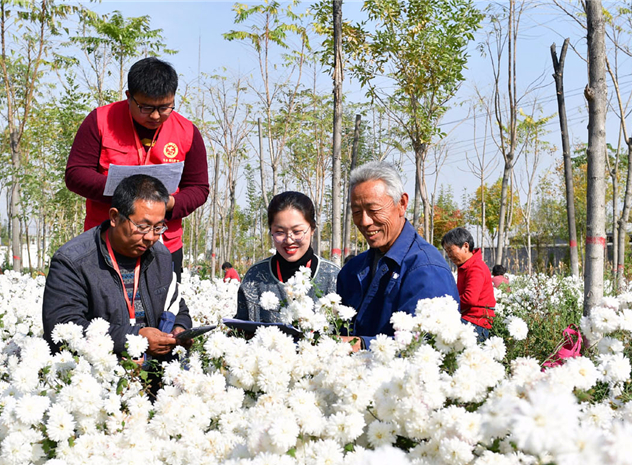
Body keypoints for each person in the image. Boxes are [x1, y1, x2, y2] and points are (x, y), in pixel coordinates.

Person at [65, 57, 209, 282]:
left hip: (164, 244)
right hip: (105, 241)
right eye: (146, 107)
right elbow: (75, 174)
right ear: (128, 96)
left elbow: (199, 188)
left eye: (164, 107)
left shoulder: (188, 132)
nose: (154, 116)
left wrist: (170, 204)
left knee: (164, 313)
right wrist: (125, 193)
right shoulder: (100, 121)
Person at [43, 174, 192, 361]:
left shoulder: (160, 256)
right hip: (96, 374)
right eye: (142, 226)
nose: (150, 237)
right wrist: (133, 339)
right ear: (114, 217)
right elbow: (62, 327)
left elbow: (177, 306)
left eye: (158, 228)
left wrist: (180, 329)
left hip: (152, 378)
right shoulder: (73, 261)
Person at [337, 161, 459, 350]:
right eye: (356, 212)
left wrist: (360, 345)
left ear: (402, 204)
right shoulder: (353, 270)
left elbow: (427, 346)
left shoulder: (426, 270)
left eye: (374, 210)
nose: (364, 221)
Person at [235, 191, 340, 322]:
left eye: (297, 232)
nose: (289, 240)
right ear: (271, 231)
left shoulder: (333, 277)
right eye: (280, 232)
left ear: (312, 229)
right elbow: (241, 330)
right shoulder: (255, 277)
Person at [441, 227, 495, 342]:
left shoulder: (476, 267)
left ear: (465, 246)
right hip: (469, 319)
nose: (449, 256)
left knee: (436, 332)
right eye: (447, 252)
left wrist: (447, 304)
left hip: (476, 324)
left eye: (450, 250)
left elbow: (470, 299)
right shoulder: (466, 266)